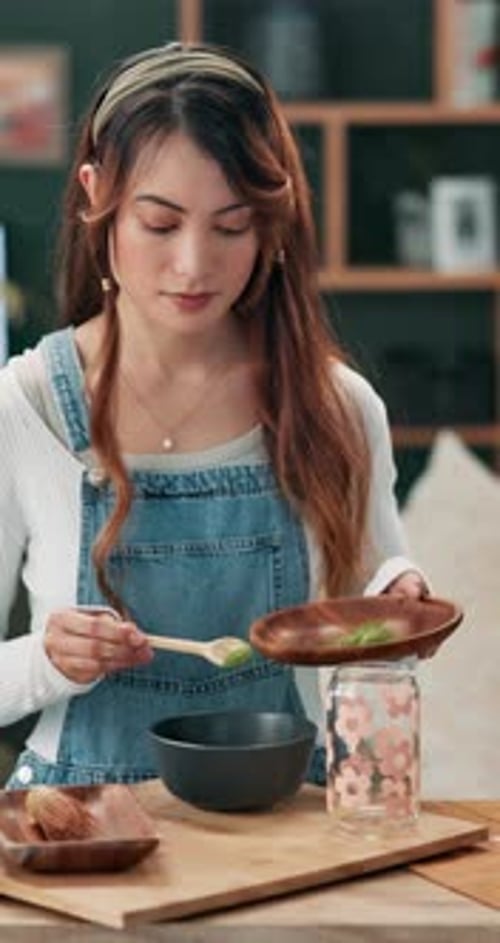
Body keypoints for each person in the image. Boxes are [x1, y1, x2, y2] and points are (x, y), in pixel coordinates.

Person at [0, 42, 426, 789]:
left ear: (272, 221)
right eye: (161, 224)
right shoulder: (24, 405)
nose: (195, 264)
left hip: (284, 824)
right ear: (96, 195)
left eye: (231, 227)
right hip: (80, 830)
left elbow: (372, 633)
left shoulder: (337, 406)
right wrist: (46, 658)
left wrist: (396, 600)